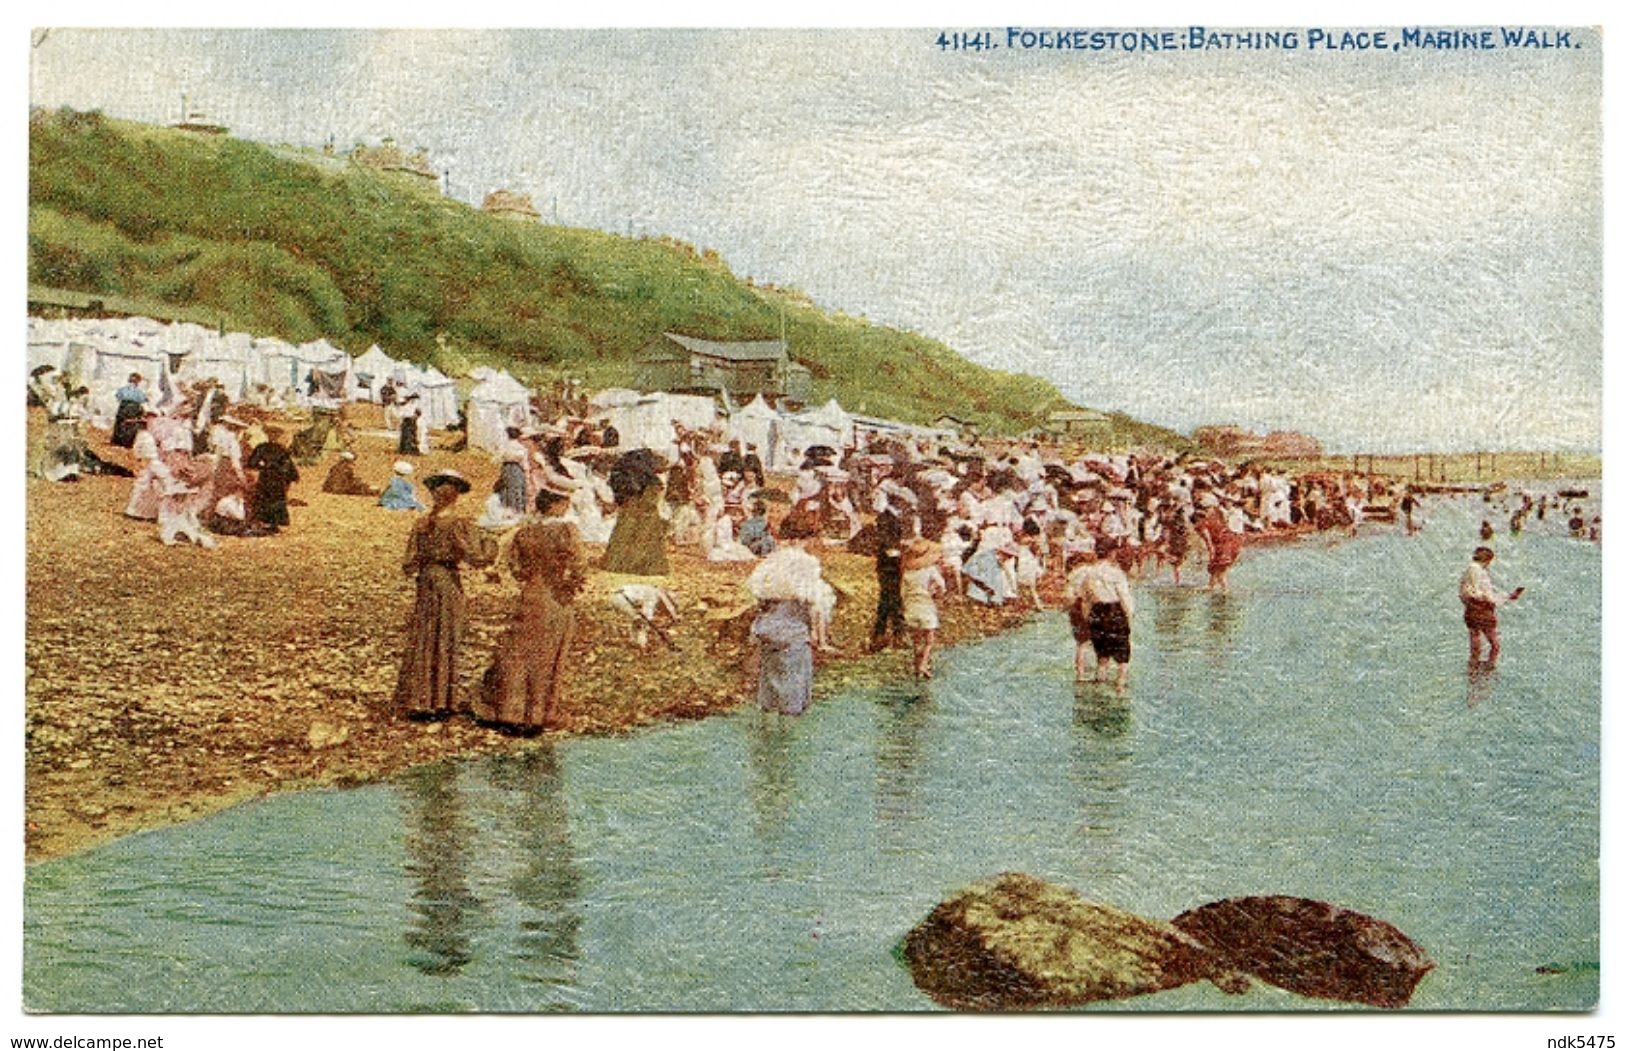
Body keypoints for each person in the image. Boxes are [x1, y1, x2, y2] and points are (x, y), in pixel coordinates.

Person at [471, 486, 588, 733]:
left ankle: (508, 710)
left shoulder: (525, 533)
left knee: (518, 651)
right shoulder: (567, 531)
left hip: (530, 594)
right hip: (555, 598)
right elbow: (579, 566)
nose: (567, 506)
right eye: (565, 502)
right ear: (557, 504)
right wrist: (569, 584)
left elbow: (516, 569)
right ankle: (540, 712)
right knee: (548, 656)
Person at [394, 470, 498, 720]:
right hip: (447, 582)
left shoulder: (421, 524)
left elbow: (409, 564)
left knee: (424, 636)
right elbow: (477, 557)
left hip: (426, 582)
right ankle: (440, 700)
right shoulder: (459, 525)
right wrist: (492, 543)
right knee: (446, 637)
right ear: (455, 497)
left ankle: (418, 697)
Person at [745, 544, 835, 715]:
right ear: (808, 539)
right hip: (793, 634)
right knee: (794, 689)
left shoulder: (771, 561)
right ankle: (790, 734)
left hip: (767, 629)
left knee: (769, 687)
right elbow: (816, 606)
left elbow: (759, 597)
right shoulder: (806, 563)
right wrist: (820, 639)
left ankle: (768, 731)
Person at [1065, 538, 1136, 692]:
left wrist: (1088, 618)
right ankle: (1120, 688)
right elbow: (1125, 599)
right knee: (1123, 657)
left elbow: (1086, 598)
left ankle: (1099, 687)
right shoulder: (1116, 573)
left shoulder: (1089, 572)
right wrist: (1129, 619)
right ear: (1112, 553)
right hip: (1114, 610)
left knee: (1102, 658)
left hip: (1096, 612)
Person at [1459, 546, 1522, 666]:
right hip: (1482, 609)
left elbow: (1466, 592)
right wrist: (1507, 597)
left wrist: (1506, 597)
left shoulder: (1470, 570)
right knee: (1494, 645)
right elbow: (1483, 594)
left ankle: (1473, 674)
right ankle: (1489, 671)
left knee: (1475, 645)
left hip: (1471, 609)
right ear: (1487, 560)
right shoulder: (1477, 570)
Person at [900, 538, 946, 678]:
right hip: (925, 604)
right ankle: (923, 664)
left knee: (916, 637)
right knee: (929, 638)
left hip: (911, 606)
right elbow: (942, 586)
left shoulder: (907, 572)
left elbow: (902, 592)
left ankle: (916, 662)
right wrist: (936, 593)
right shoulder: (929, 570)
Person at [246, 428, 300, 530]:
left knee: (264, 499)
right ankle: (274, 523)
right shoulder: (281, 449)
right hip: (278, 479)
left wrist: (261, 466)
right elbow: (289, 466)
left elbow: (252, 463)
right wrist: (293, 476)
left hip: (266, 478)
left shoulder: (261, 447)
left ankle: (263, 521)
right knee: (276, 500)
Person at [111, 374, 147, 448]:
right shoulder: (139, 391)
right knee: (131, 423)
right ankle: (127, 442)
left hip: (124, 406)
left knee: (120, 421)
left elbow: (118, 397)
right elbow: (143, 399)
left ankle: (117, 440)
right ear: (138, 382)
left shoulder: (122, 389)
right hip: (134, 407)